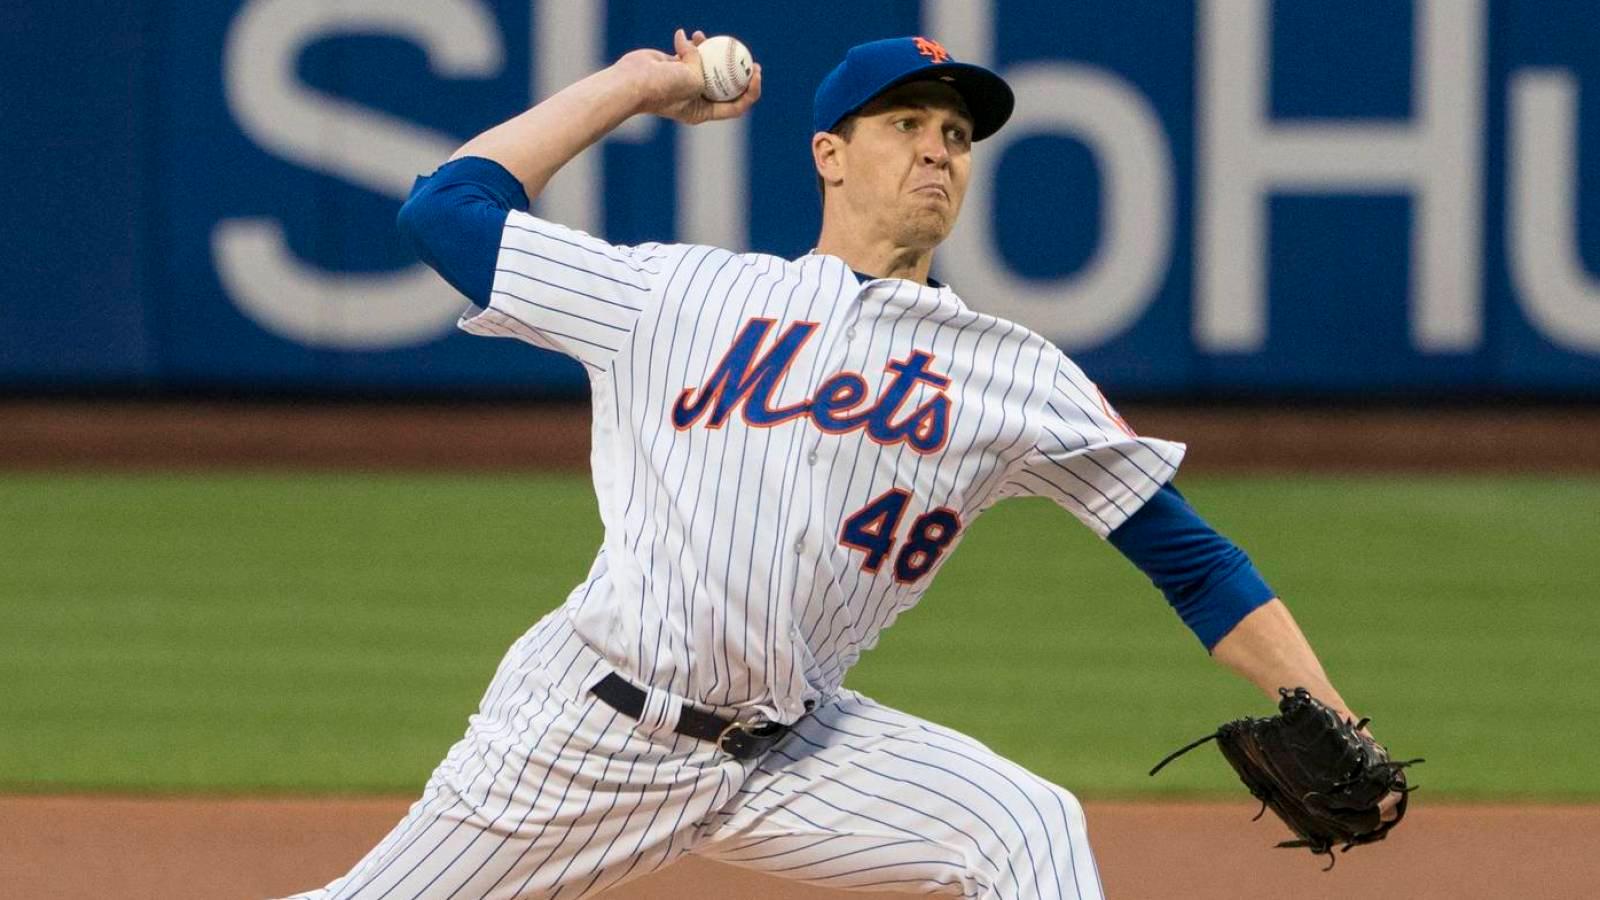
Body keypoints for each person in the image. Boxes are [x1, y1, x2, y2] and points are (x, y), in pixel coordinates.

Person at [287, 31, 1392, 900]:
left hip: (791, 749)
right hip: (589, 733)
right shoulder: (676, 297)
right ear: (829, 155)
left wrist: (1332, 710)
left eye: (956, 137)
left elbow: (1192, 561)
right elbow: (446, 211)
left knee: (1026, 826)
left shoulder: (1018, 374)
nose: (935, 150)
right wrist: (631, 86)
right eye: (905, 123)